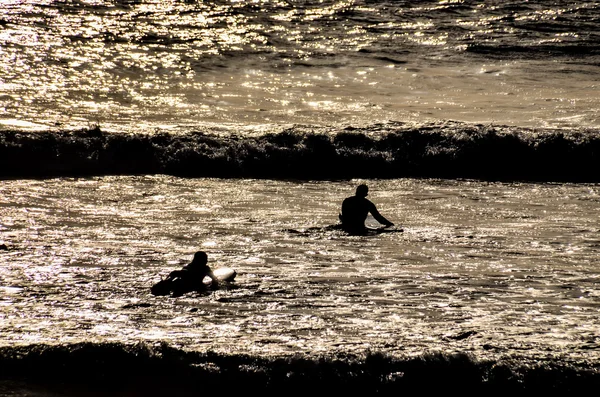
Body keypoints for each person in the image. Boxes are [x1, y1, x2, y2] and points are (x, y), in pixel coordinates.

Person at [152, 251, 219, 297]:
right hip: (193, 286)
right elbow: (214, 279)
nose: (206, 261)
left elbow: (175, 274)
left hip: (182, 284)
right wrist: (213, 287)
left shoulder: (189, 266)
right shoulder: (204, 268)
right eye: (205, 259)